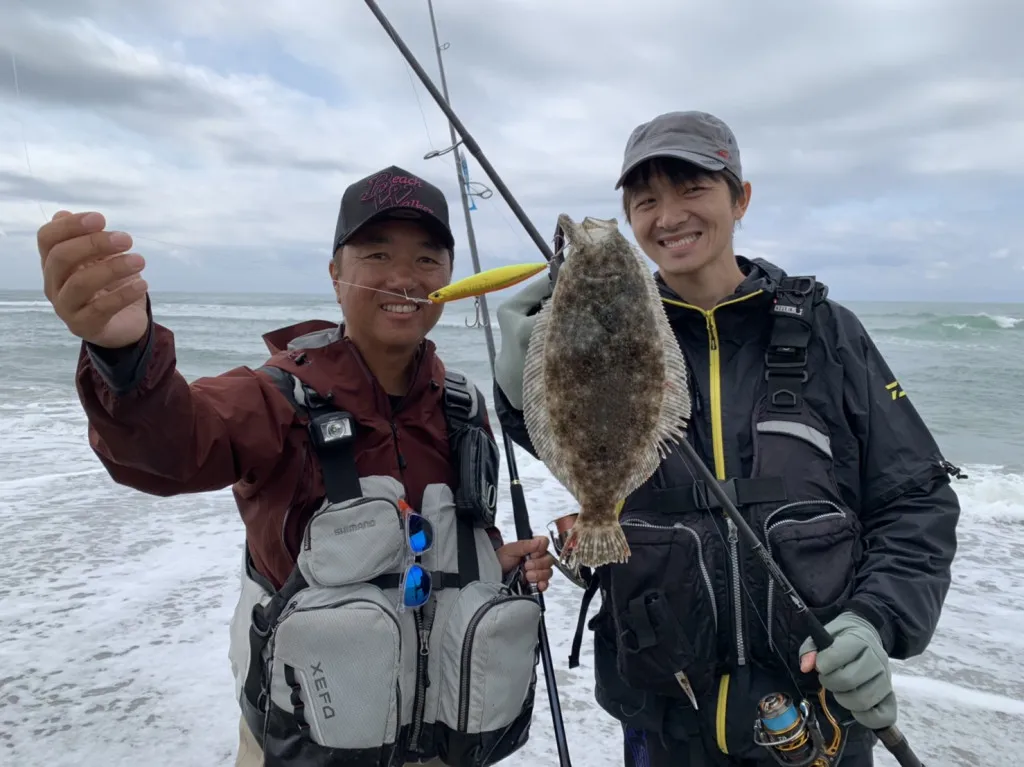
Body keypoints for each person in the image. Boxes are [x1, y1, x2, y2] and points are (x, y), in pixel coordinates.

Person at [38, 165, 556, 767]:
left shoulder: (463, 405)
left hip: (440, 743)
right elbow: (171, 448)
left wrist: (489, 560)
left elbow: (450, 528)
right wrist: (124, 357)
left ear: (449, 278)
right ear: (336, 275)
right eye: (377, 253)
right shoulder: (277, 395)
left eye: (426, 260)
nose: (403, 277)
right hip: (305, 744)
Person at [491, 111, 962, 766]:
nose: (669, 215)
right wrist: (521, 377)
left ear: (740, 197)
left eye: (692, 189)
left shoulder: (829, 333)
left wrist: (875, 618)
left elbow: (916, 501)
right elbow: (561, 433)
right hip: (663, 727)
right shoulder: (608, 326)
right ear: (629, 218)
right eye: (645, 200)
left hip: (816, 719)